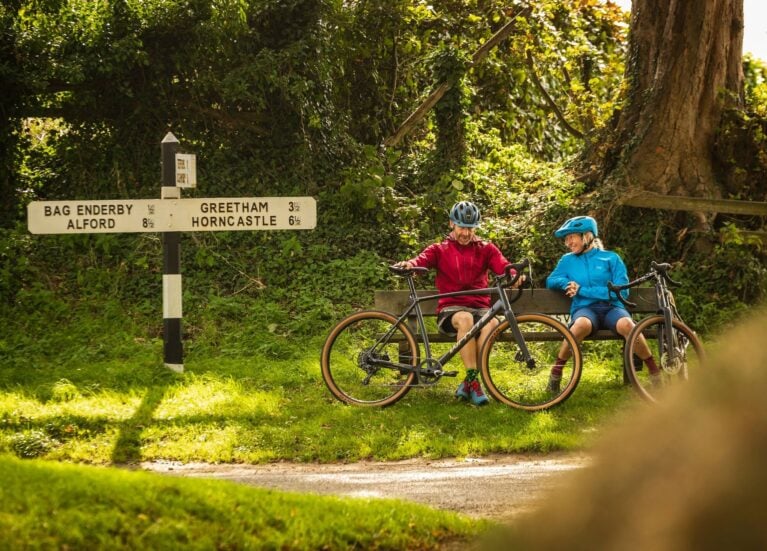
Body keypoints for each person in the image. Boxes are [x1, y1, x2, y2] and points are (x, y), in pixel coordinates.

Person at [395, 201, 520, 406]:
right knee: (466, 318)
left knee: (492, 324)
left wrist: (514, 274)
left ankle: (470, 381)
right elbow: (421, 260)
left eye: (470, 228)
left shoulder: (486, 249)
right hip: (451, 310)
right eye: (462, 227)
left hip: (481, 307)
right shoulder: (439, 249)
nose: (466, 233)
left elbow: (503, 266)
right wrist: (410, 265)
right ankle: (474, 383)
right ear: (451, 224)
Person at [545, 215, 660, 392]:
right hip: (584, 309)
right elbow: (551, 280)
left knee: (628, 325)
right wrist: (566, 284)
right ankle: (556, 374)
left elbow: (622, 291)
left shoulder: (611, 258)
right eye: (566, 239)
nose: (567, 243)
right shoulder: (567, 260)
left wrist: (582, 290)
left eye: (571, 237)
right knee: (579, 325)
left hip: (612, 308)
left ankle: (654, 372)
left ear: (587, 236)